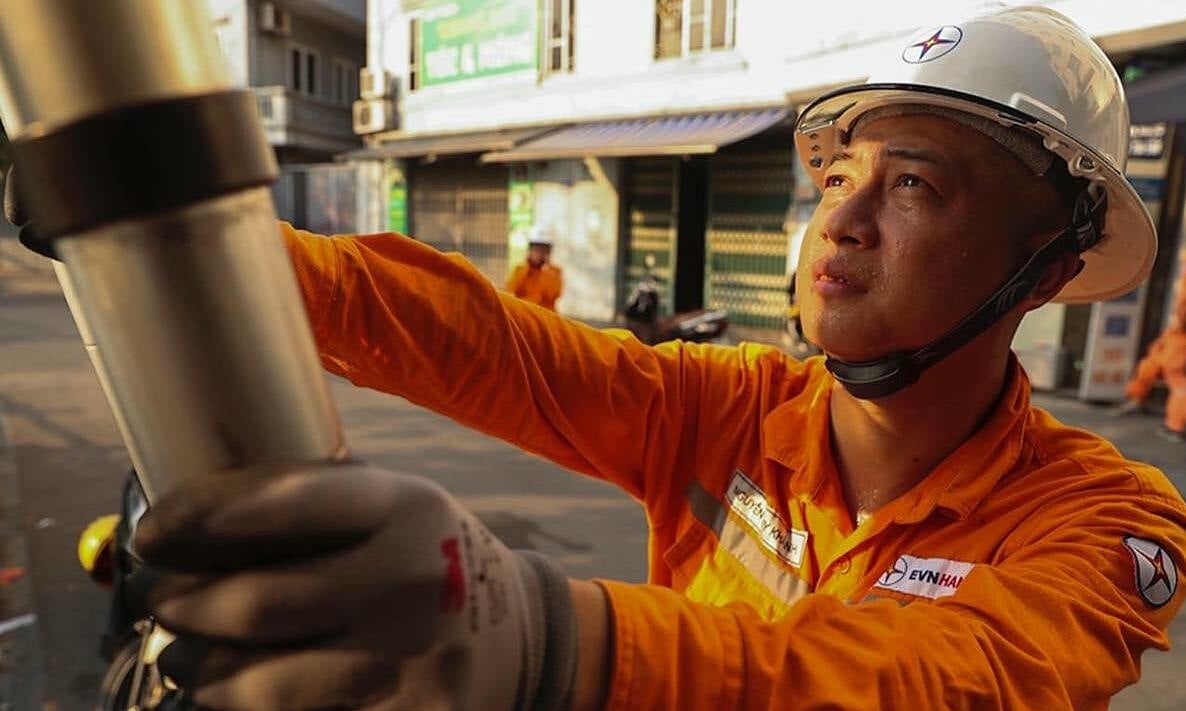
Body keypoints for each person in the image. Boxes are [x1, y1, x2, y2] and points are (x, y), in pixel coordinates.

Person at [8, 6, 1186, 709]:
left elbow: (948, 681)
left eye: (914, 182)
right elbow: (492, 345)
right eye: (836, 176)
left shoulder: (1107, 518)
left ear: (1043, 262)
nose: (841, 218)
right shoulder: (731, 408)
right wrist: (196, 251)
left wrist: (543, 638)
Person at [1119, 291, 1186, 442]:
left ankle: (1176, 426)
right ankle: (1136, 399)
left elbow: (1182, 314)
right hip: (1172, 344)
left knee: (1179, 386)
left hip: (1178, 345)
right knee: (1147, 368)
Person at [506, 227, 563, 310]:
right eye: (536, 250)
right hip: (525, 314)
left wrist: (546, 270)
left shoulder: (555, 272)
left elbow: (552, 295)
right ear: (530, 251)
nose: (540, 254)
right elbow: (512, 290)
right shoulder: (520, 270)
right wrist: (527, 268)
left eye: (543, 251)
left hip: (546, 316)